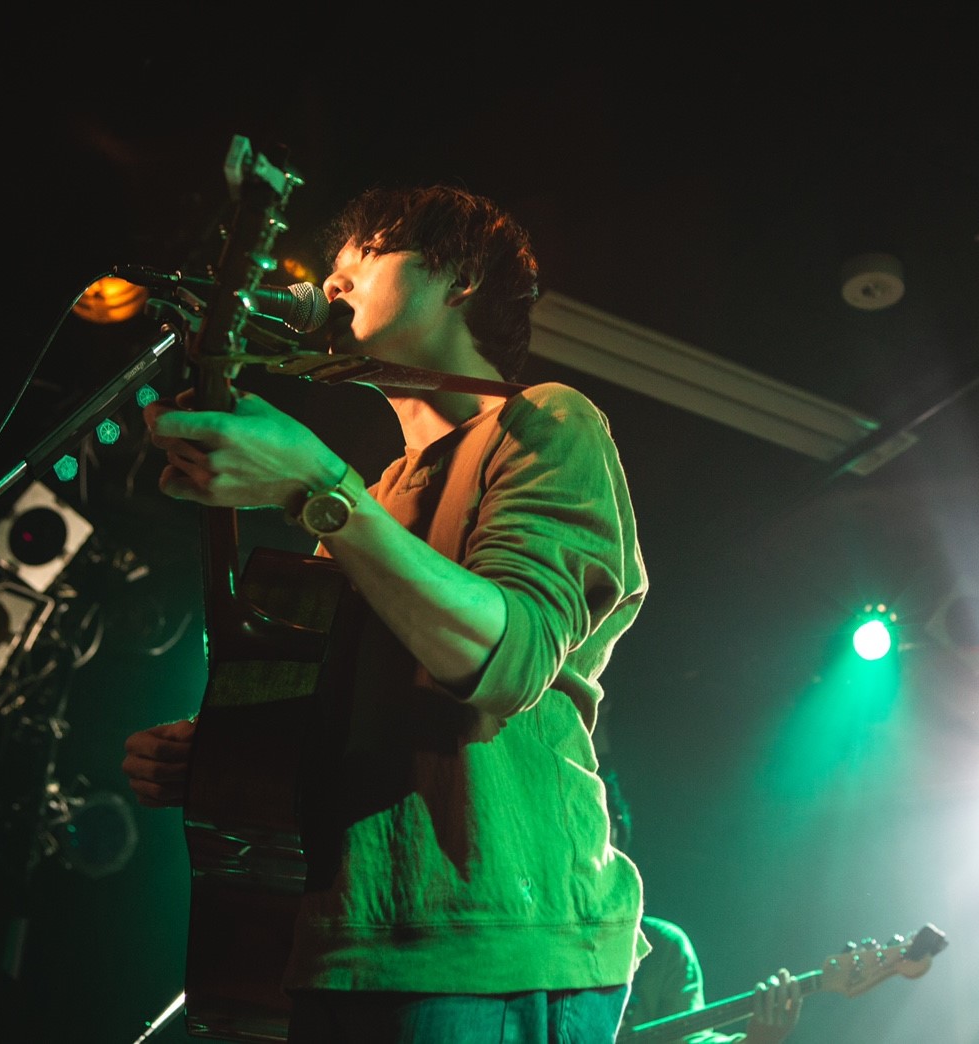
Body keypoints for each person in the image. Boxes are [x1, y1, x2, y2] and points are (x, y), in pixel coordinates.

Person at [120, 183, 650, 1043]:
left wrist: (316, 487)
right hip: (341, 943)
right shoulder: (370, 502)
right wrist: (223, 753)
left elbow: (510, 659)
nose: (333, 281)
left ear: (460, 278)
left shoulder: (545, 421)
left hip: (491, 937)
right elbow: (349, 719)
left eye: (367, 253)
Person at [603, 771, 802, 1043]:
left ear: (618, 838)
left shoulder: (662, 948)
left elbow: (691, 1040)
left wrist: (756, 1040)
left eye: (597, 826)